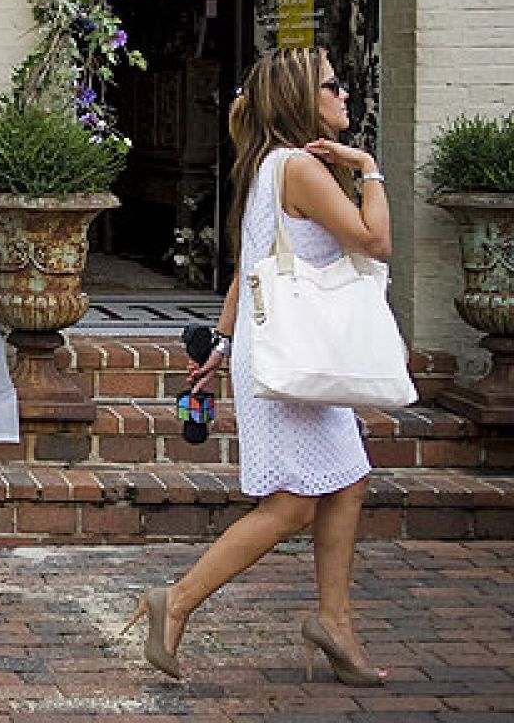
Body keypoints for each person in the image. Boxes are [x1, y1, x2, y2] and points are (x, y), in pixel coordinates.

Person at [124, 47, 392, 686]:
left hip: (275, 349)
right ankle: (178, 601)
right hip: (290, 356)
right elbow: (375, 240)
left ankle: (335, 621)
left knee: (347, 480)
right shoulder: (300, 167)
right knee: (295, 502)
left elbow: (250, 269)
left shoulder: (273, 165)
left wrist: (219, 350)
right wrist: (371, 170)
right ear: (305, 99)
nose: (344, 94)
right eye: (333, 85)